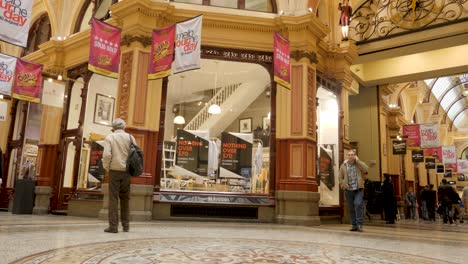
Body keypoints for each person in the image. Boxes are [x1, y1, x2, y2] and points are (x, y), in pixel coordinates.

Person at [102, 118, 136, 233]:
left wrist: (107, 167)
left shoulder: (110, 137)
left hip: (114, 170)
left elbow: (107, 155)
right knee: (125, 198)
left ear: (113, 127)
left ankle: (113, 226)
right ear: (124, 127)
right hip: (126, 171)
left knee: (113, 198)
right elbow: (135, 154)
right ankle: (126, 226)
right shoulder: (130, 137)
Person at [339, 149, 369, 232]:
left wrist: (358, 161)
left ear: (355, 156)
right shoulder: (343, 165)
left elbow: (366, 169)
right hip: (348, 190)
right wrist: (343, 185)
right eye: (349, 155)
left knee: (358, 204)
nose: (350, 156)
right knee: (351, 208)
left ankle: (359, 224)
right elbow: (340, 177)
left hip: (358, 189)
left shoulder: (358, 164)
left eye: (352, 155)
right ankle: (354, 225)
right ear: (347, 156)